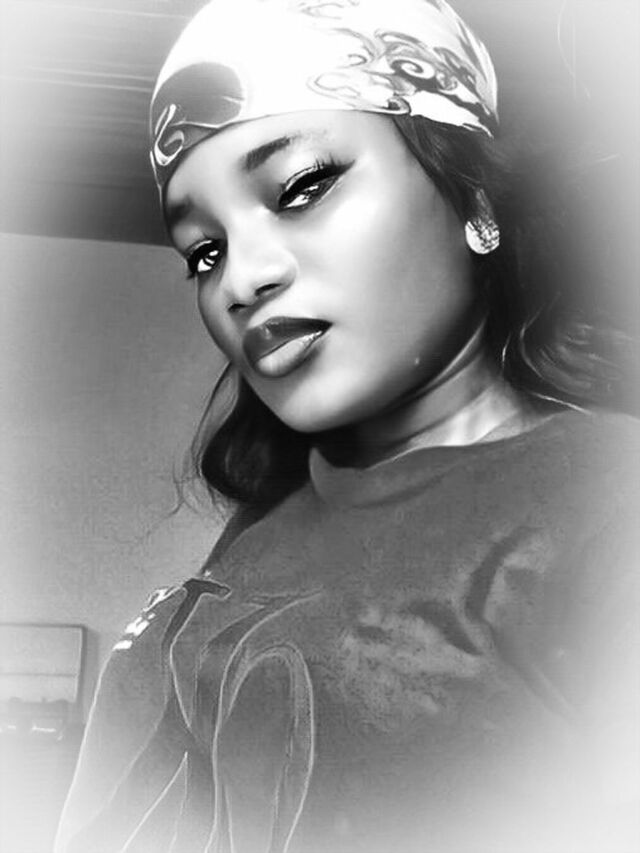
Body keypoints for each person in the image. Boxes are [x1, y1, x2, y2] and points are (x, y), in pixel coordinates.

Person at [56, 1, 639, 851]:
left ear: (474, 196)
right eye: (205, 251)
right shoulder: (269, 522)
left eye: (301, 187)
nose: (241, 279)